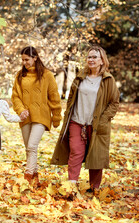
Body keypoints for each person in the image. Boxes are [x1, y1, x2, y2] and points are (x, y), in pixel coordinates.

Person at [51, 45, 120, 192]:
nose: (91, 59)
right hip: (77, 121)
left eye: (95, 57)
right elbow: (71, 98)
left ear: (102, 60)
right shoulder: (80, 76)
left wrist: (103, 119)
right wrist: (68, 114)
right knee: (75, 151)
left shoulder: (108, 80)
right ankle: (71, 186)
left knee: (95, 155)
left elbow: (114, 103)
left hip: (96, 125)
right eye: (89, 57)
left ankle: (94, 188)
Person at [11, 46, 62, 184]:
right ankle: (35, 177)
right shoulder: (20, 75)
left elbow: (54, 97)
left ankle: (27, 177)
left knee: (32, 146)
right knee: (29, 148)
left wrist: (56, 116)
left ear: (35, 58)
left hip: (41, 116)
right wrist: (21, 110)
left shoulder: (47, 75)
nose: (24, 63)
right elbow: (15, 96)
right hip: (25, 117)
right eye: (22, 60)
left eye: (27, 59)